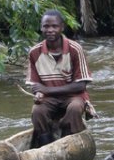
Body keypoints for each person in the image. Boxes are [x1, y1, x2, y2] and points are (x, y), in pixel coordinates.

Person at [26, 9, 93, 148]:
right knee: (37, 111)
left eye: (54, 26)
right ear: (41, 28)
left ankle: (66, 142)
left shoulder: (75, 49)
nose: (50, 30)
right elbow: (35, 85)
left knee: (74, 108)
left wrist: (47, 90)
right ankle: (46, 146)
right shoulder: (34, 52)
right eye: (46, 26)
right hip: (50, 100)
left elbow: (81, 86)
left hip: (73, 96)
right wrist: (38, 94)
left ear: (62, 27)